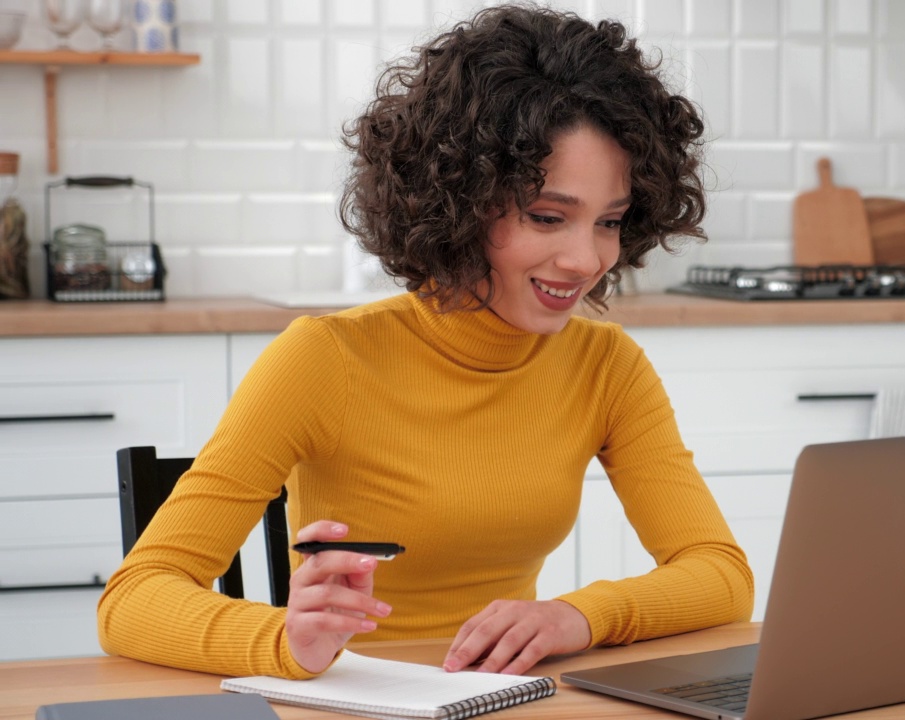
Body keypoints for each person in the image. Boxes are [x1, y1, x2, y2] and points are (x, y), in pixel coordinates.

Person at [97, 3, 753, 680]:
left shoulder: (606, 365)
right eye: (547, 216)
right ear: (461, 201)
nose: (586, 260)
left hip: (507, 696)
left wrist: (577, 617)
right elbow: (134, 601)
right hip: (356, 698)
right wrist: (286, 642)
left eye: (609, 222)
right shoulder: (324, 359)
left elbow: (720, 575)